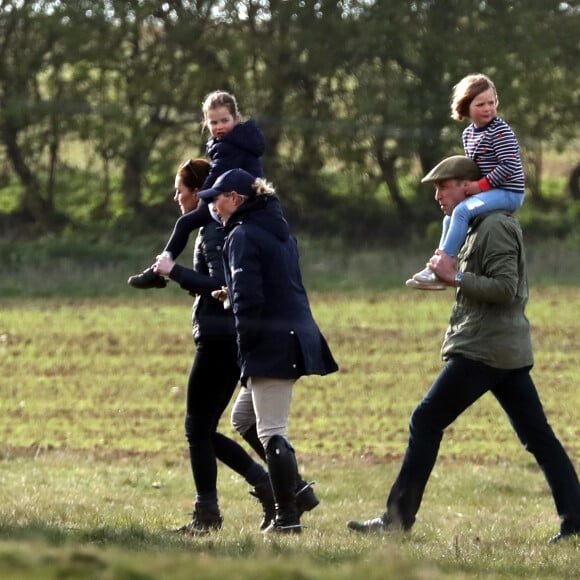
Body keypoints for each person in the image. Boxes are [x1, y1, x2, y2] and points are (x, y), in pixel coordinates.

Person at [348, 155, 580, 544]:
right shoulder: (471, 227)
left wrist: (455, 277)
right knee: (538, 437)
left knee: (425, 419)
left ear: (468, 186)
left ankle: (397, 519)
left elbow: (506, 289)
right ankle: (575, 520)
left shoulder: (495, 227)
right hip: (498, 347)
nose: (438, 195)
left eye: (444, 186)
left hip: (485, 348)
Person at [197, 168, 339, 534]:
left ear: (236, 199)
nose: (213, 204)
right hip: (290, 334)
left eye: (217, 197)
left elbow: (250, 300)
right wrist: (233, 293)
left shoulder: (241, 234)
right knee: (243, 419)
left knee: (272, 431)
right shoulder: (277, 229)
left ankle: (288, 519)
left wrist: (244, 349)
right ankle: (296, 491)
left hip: (270, 341)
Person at [153, 158, 274, 535]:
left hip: (219, 338)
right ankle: (268, 487)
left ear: (200, 190)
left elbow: (223, 287)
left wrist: (177, 274)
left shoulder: (214, 231)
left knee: (197, 428)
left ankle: (211, 513)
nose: (177, 196)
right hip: (223, 336)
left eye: (180, 189)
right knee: (203, 429)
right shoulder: (211, 228)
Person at [129, 90, 266, 290]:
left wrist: (203, 201)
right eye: (213, 122)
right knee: (188, 222)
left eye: (224, 120)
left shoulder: (232, 144)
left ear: (236, 119)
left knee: (185, 222)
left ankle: (158, 270)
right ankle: (159, 269)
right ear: (206, 123)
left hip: (241, 202)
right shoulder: (232, 141)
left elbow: (215, 177)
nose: (219, 127)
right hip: (236, 199)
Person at [407, 73, 525, 290]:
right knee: (450, 217)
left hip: (509, 192)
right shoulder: (469, 134)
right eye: (481, 104)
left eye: (491, 103)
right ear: (466, 107)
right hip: (489, 190)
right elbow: (474, 168)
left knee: (462, 212)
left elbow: (508, 167)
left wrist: (478, 187)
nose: (488, 108)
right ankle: (437, 267)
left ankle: (446, 263)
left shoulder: (501, 132)